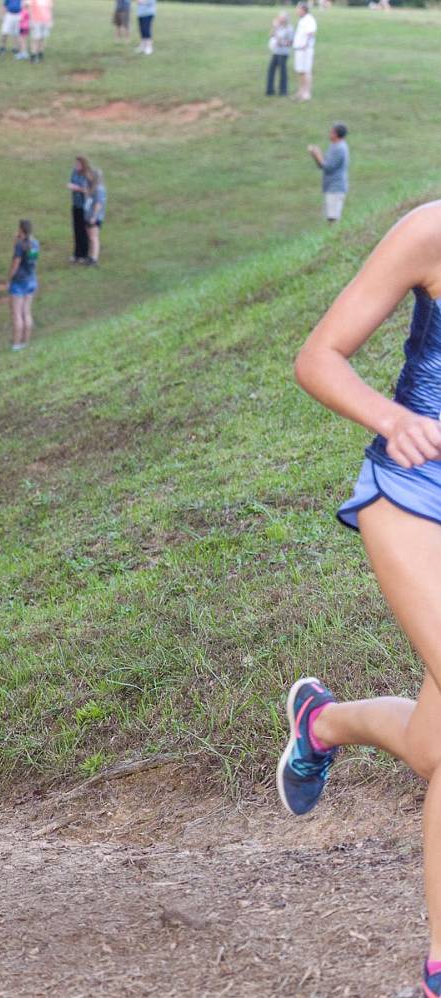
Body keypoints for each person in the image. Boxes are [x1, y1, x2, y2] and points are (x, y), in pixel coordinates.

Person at [282, 200, 441, 998]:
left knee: (430, 751)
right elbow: (320, 358)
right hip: (414, 496)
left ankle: (322, 722)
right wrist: (392, 417)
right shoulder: (432, 230)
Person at [8, 219, 40, 352]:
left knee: (17, 314)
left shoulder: (20, 246)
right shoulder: (35, 243)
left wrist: (9, 278)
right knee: (26, 312)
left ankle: (16, 344)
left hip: (19, 281)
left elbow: (16, 263)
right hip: (31, 279)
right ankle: (25, 342)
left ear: (21, 229)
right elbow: (33, 261)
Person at [309, 123, 349, 223]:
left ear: (336, 134)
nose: (329, 134)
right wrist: (315, 155)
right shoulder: (334, 146)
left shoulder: (340, 148)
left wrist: (317, 154)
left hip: (336, 187)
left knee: (333, 218)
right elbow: (322, 164)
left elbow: (328, 167)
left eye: (331, 132)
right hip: (330, 186)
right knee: (329, 216)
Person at [69, 156, 92, 264]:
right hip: (76, 205)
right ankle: (76, 254)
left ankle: (84, 254)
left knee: (83, 231)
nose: (76, 166)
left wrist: (76, 188)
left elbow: (87, 190)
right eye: (76, 164)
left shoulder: (87, 175)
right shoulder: (74, 172)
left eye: (78, 164)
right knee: (76, 230)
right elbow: (70, 183)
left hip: (84, 206)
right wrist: (75, 187)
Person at [292, 1, 317, 100]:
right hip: (299, 49)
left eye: (298, 9)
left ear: (303, 10)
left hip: (305, 50)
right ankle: (301, 91)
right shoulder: (302, 20)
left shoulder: (309, 19)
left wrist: (305, 46)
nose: (296, 11)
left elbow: (311, 33)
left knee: (306, 71)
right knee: (300, 71)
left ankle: (307, 93)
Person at [267, 12, 293, 97]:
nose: (279, 19)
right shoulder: (278, 27)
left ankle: (283, 91)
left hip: (283, 53)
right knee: (271, 71)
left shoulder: (289, 29)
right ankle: (270, 90)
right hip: (275, 51)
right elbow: (271, 35)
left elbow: (290, 42)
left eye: (281, 18)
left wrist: (281, 42)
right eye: (279, 17)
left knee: (283, 72)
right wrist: (274, 27)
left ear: (285, 19)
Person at [86, 168, 106, 266]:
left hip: (94, 217)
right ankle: (90, 256)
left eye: (89, 174)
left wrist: (94, 216)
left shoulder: (99, 189)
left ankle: (94, 258)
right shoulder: (91, 187)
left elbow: (98, 204)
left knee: (94, 237)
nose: (87, 176)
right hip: (88, 216)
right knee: (90, 237)